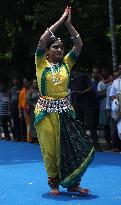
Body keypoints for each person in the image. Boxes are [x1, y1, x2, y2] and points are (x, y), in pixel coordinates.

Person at [35, 6, 94, 196]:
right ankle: (54, 184)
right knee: (50, 151)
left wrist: (69, 25)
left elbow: (78, 45)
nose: (60, 49)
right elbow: (43, 39)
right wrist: (61, 20)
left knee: (72, 147)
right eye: (56, 47)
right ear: (47, 51)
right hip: (44, 113)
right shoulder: (41, 63)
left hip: (65, 112)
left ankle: (73, 184)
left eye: (61, 47)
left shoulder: (67, 64)